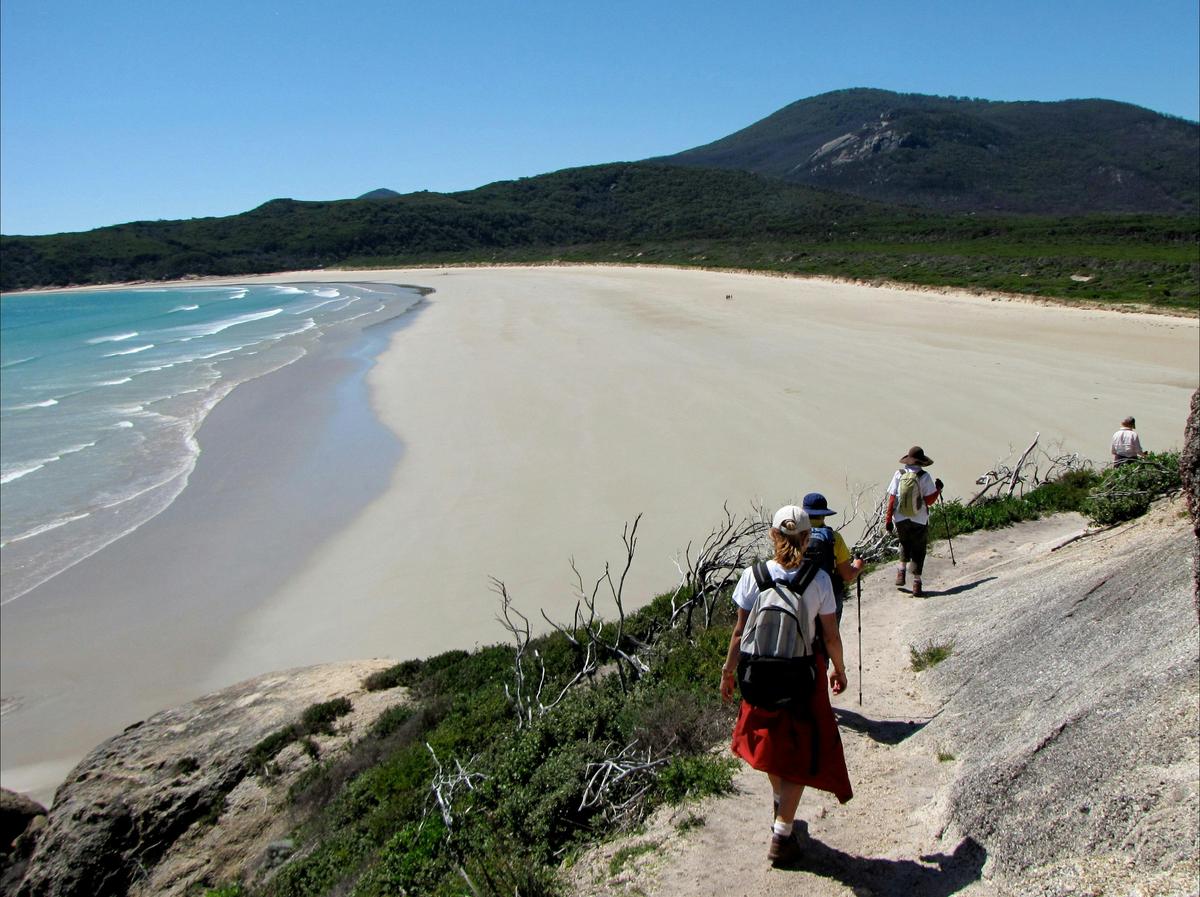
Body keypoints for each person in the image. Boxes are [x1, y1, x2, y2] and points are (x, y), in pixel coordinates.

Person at [720, 505, 853, 867]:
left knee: (770, 744)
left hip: (757, 672)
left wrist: (728, 671)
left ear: (772, 535)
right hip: (802, 674)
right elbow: (830, 634)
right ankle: (782, 833)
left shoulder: (754, 575)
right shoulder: (819, 579)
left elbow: (738, 631)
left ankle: (781, 808)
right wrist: (838, 668)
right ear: (808, 539)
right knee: (802, 749)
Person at [884, 446, 943, 598]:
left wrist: (888, 519)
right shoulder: (924, 476)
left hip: (901, 517)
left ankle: (901, 573)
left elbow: (892, 499)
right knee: (918, 549)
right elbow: (929, 500)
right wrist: (938, 489)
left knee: (904, 543)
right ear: (921, 462)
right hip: (919, 518)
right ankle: (916, 583)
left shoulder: (899, 474)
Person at [801, 492, 865, 623]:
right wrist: (858, 566)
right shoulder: (834, 538)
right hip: (829, 597)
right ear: (823, 514)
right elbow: (847, 575)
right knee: (830, 638)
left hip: (800, 596)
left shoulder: (795, 536)